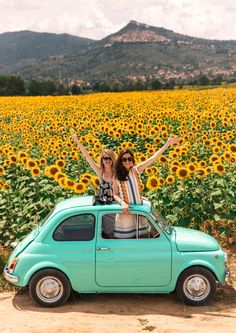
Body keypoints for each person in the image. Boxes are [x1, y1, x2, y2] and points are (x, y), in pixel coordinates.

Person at [112, 134, 180, 239]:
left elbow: (153, 157)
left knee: (142, 237)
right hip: (127, 211)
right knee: (127, 239)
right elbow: (115, 194)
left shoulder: (136, 170)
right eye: (124, 159)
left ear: (132, 160)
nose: (127, 162)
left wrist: (167, 144)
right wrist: (122, 203)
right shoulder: (116, 175)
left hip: (139, 208)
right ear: (120, 161)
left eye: (129, 159)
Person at [71, 130, 116, 203]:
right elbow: (87, 157)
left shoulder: (117, 172)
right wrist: (77, 140)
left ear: (113, 159)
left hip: (117, 206)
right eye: (105, 158)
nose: (108, 160)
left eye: (110, 158)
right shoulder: (100, 172)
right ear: (102, 160)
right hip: (104, 206)